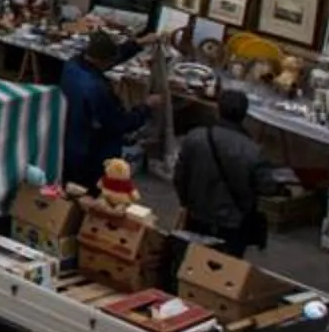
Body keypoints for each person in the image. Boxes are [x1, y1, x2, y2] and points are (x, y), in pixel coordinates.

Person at [173, 90, 274, 255]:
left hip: (197, 215)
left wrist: (186, 203)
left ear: (217, 110)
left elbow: (179, 177)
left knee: (192, 261)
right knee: (226, 267)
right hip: (233, 224)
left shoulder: (195, 138)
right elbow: (266, 188)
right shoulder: (253, 151)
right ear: (244, 115)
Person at [58, 33, 149, 191]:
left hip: (68, 141)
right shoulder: (97, 89)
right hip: (91, 153)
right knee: (88, 193)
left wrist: (138, 43)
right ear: (104, 61)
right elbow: (119, 123)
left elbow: (109, 59)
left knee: (69, 188)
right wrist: (145, 108)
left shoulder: (72, 65)